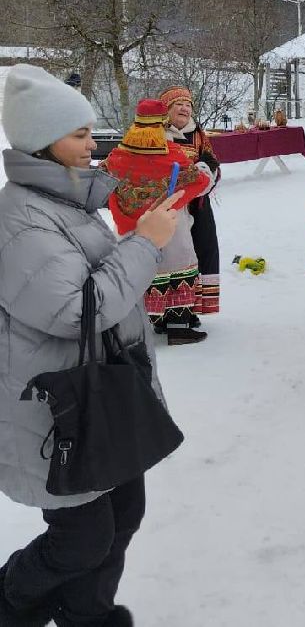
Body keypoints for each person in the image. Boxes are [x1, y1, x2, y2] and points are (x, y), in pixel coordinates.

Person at [0, 64, 182, 627]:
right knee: (83, 537)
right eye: (78, 134)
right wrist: (145, 245)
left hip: (106, 394)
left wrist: (137, 241)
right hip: (60, 411)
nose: (92, 143)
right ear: (41, 141)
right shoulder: (21, 219)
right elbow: (76, 308)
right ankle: (11, 602)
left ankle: (87, 614)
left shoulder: (66, 202)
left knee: (126, 511)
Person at [100, 100, 212, 346]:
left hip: (131, 230)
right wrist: (203, 169)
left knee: (141, 273)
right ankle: (178, 327)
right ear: (162, 124)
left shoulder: (116, 156)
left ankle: (145, 325)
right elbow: (200, 182)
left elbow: (102, 183)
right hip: (170, 227)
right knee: (177, 270)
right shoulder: (171, 155)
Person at [161, 86, 222, 318]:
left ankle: (192, 309)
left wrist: (203, 175)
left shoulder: (198, 134)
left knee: (202, 252)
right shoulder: (156, 134)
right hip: (167, 207)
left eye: (188, 105)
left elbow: (212, 162)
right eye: (179, 104)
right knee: (171, 257)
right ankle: (168, 312)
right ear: (167, 109)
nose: (185, 109)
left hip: (198, 205)